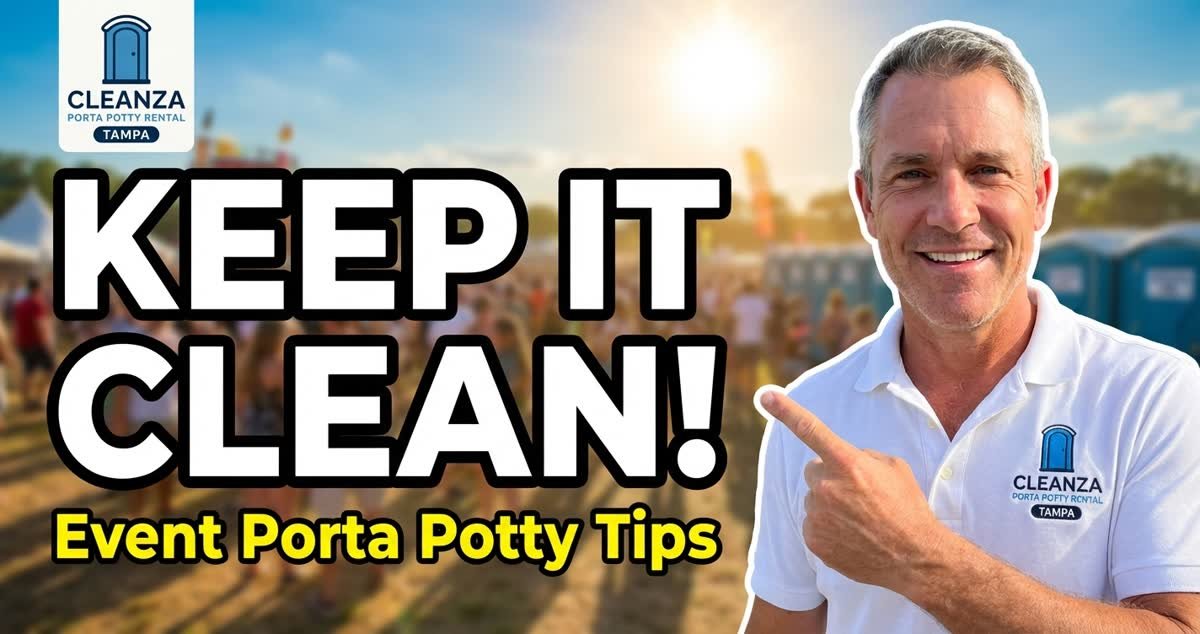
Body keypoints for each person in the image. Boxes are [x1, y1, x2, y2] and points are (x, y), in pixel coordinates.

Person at [744, 24, 1200, 633]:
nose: (954, 213)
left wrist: (920, 561)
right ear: (866, 203)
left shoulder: (1152, 393)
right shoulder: (814, 415)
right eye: (912, 174)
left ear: (1040, 193)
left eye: (987, 169)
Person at [11, 277, 54, 410]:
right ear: (38, 289)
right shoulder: (37, 303)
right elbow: (40, 324)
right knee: (51, 370)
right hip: (37, 343)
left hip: (23, 343)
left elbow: (16, 324)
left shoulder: (20, 304)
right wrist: (46, 343)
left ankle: (27, 401)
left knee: (28, 372)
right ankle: (41, 397)